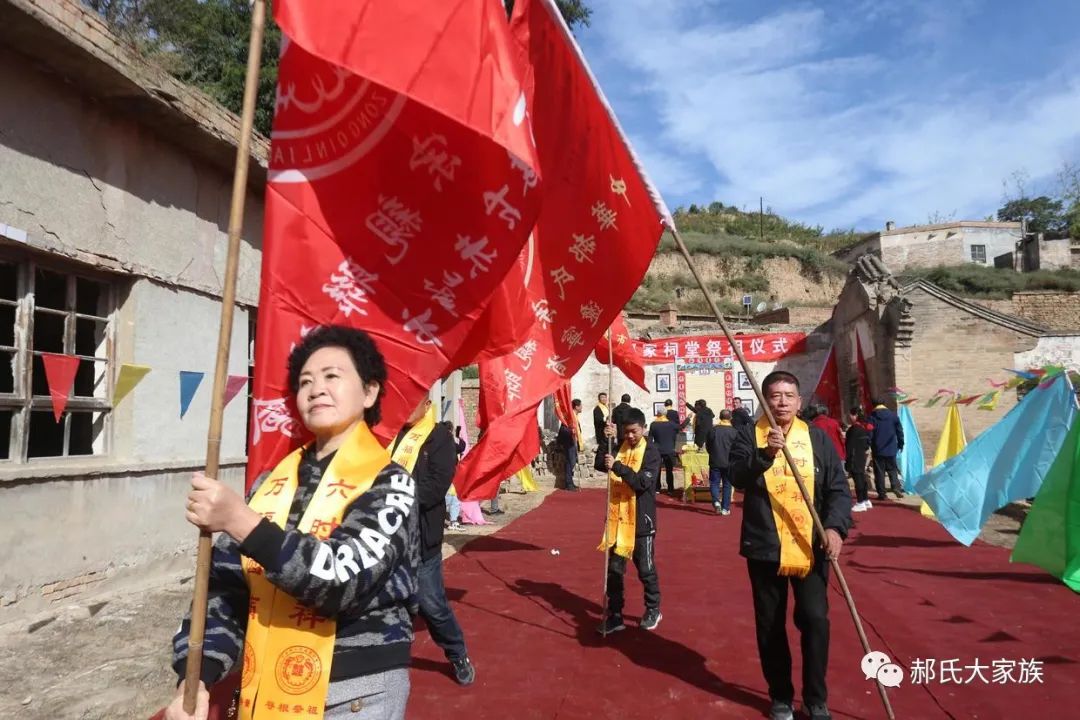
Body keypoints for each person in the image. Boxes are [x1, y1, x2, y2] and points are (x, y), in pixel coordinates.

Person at [165, 325, 419, 720]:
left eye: (332, 376)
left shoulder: (392, 483)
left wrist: (240, 520)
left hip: (355, 692)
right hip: (262, 682)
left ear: (369, 392)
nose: (316, 389)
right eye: (304, 382)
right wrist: (197, 676)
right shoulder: (271, 484)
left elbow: (340, 581)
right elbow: (225, 588)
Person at [729, 371, 852, 720]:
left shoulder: (817, 439)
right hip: (764, 546)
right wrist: (766, 453)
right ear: (764, 400)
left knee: (815, 619)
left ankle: (816, 699)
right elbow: (736, 476)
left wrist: (835, 529)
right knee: (770, 623)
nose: (781, 402)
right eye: (774, 396)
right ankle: (780, 695)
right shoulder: (747, 437)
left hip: (811, 545)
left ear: (799, 401)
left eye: (788, 395)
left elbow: (838, 490)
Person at [392, 399, 476, 686]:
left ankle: (457, 653)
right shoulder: (388, 434)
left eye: (410, 401)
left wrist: (391, 496)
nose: (402, 408)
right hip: (386, 539)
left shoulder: (439, 438)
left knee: (432, 605)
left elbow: (435, 488)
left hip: (420, 539)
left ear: (427, 404)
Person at [598, 408, 662, 633]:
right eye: (626, 433)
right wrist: (605, 441)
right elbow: (600, 464)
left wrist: (617, 466)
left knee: (645, 569)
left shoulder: (652, 452)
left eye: (634, 432)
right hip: (618, 519)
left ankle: (653, 607)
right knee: (614, 571)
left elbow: (642, 483)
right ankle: (615, 614)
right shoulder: (619, 448)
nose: (630, 436)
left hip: (642, 523)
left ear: (643, 428)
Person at [869, 398, 905, 500]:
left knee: (879, 472)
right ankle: (895, 486)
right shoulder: (893, 416)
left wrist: (868, 444)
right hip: (891, 448)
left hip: (878, 449)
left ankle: (882, 493)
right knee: (892, 469)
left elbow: (869, 433)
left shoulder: (872, 417)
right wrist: (901, 444)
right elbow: (899, 431)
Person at [706, 409, 737, 515]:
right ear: (730, 418)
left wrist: (712, 453)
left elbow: (708, 446)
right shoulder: (734, 431)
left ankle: (716, 501)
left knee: (714, 483)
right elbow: (737, 448)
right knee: (727, 485)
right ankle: (725, 508)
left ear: (719, 417)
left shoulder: (713, 430)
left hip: (715, 460)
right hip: (729, 462)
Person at [845, 408, 872, 512]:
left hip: (854, 456)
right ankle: (865, 499)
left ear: (855, 415)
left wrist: (848, 459)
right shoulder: (863, 428)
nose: (849, 417)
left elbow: (849, 446)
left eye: (851, 415)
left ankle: (860, 501)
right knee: (862, 477)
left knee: (858, 479)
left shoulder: (854, 429)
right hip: (861, 456)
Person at [648, 407, 679, 493]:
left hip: (657, 449)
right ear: (666, 414)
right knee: (669, 471)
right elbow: (681, 427)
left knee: (657, 470)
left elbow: (650, 439)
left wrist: (649, 449)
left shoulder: (653, 424)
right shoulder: (672, 424)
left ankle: (657, 488)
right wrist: (688, 418)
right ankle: (670, 489)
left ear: (658, 413)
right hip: (669, 450)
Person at [556, 399, 584, 491]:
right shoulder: (569, 416)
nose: (581, 407)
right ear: (576, 406)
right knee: (570, 462)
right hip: (569, 442)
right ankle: (568, 484)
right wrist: (571, 431)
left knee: (572, 462)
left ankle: (570, 482)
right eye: (580, 406)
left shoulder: (575, 416)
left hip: (574, 442)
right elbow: (563, 430)